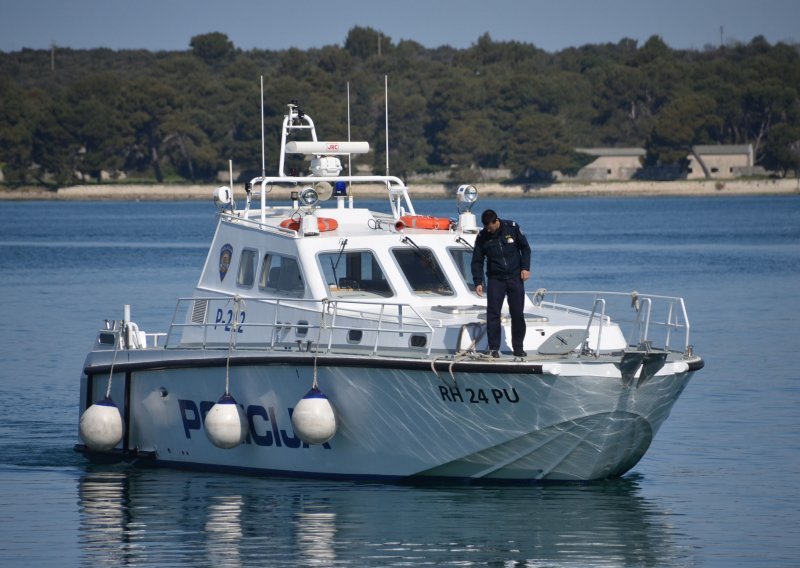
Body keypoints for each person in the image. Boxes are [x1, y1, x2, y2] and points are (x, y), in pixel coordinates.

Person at [471, 209, 531, 358]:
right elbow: (477, 261)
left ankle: (518, 347)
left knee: (517, 313)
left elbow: (525, 249)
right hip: (495, 279)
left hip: (515, 277)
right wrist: (478, 281)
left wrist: (525, 268)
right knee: (493, 314)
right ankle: (493, 348)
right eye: (486, 228)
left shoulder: (512, 227)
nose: (488, 230)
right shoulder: (482, 236)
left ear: (496, 221)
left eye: (490, 227)